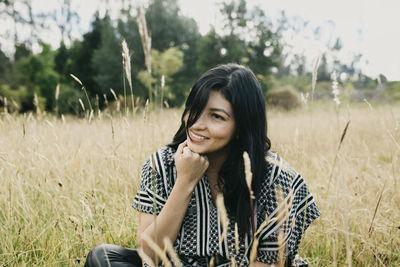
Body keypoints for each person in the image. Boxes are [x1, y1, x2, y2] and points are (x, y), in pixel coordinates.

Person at [85, 64, 320, 267]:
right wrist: (185, 182)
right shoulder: (161, 165)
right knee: (103, 257)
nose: (197, 124)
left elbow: (269, 262)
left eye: (216, 116)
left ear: (243, 126)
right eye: (194, 110)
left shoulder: (277, 178)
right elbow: (148, 254)